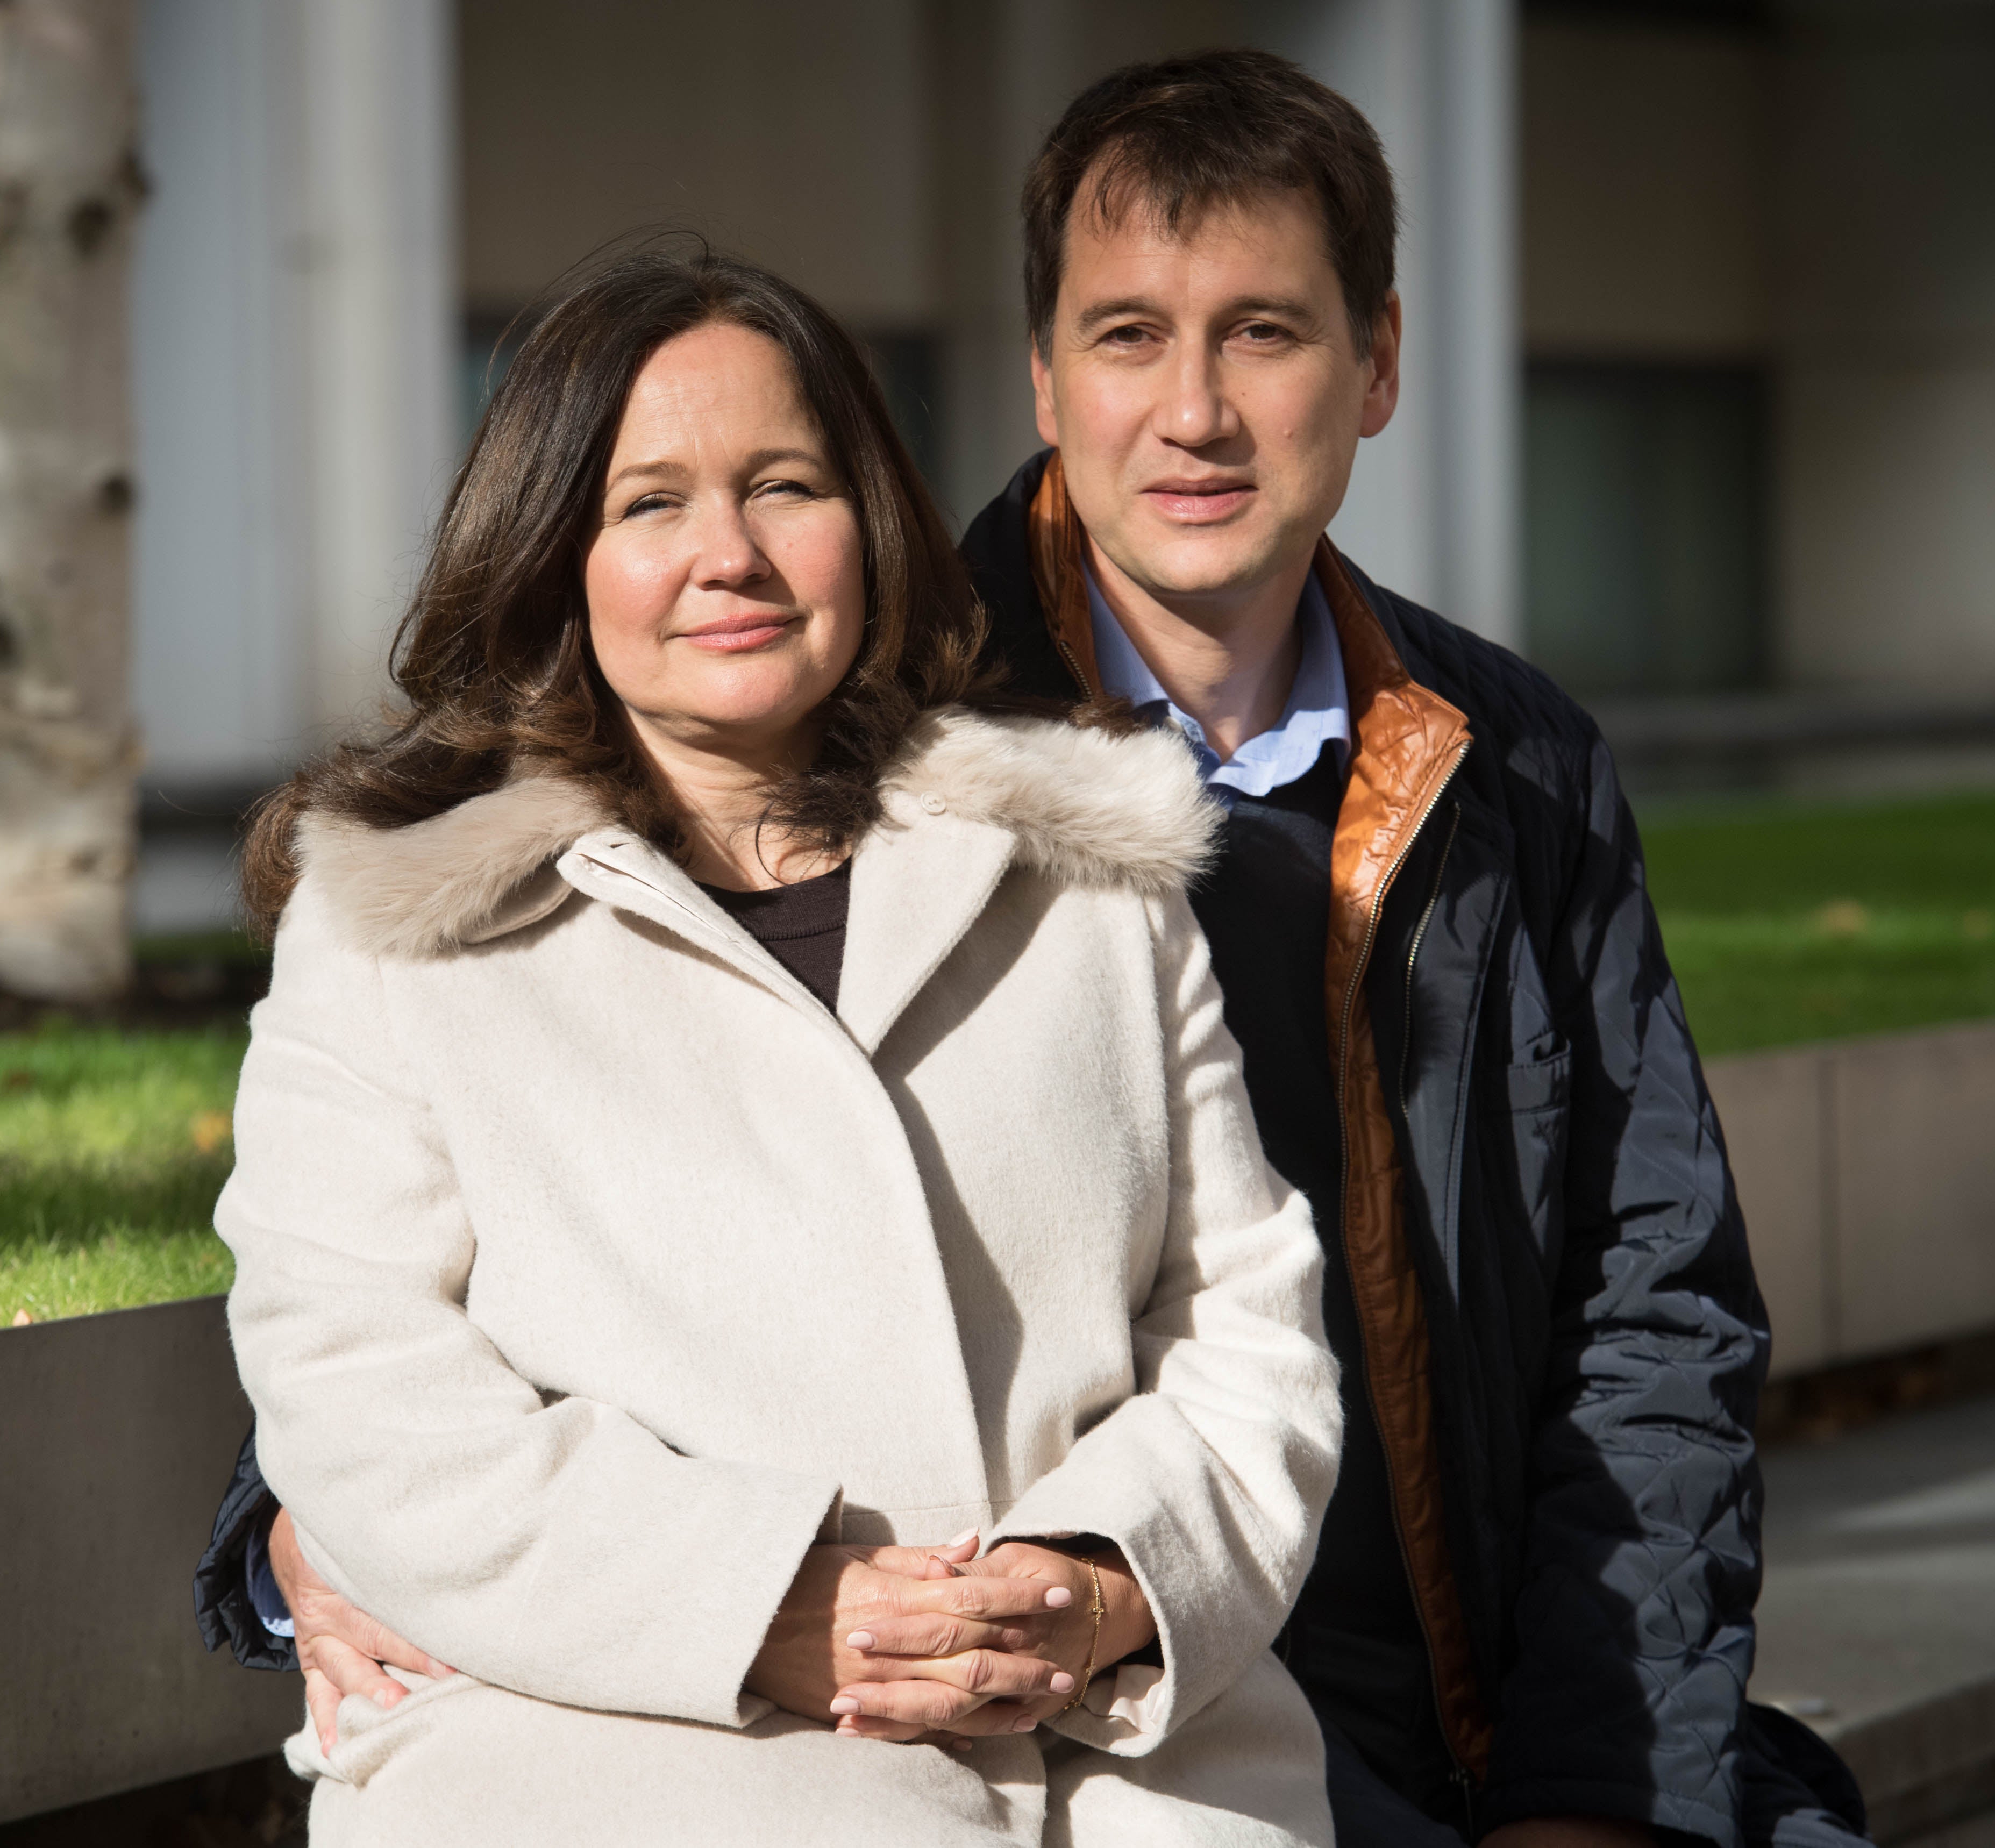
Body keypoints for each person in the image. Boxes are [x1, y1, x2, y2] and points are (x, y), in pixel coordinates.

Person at [201, 47, 1875, 1848]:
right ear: (1044, 376)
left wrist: (1595, 1792)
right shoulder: (884, 706)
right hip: (1051, 1696)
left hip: (1406, 1675)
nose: (1195, 415)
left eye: (1264, 333)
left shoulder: (1507, 758)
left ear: (1377, 363)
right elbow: (456, 1214)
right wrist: (291, 1529)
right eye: (1129, 336)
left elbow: (1650, 1308)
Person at [210, 244, 1344, 1845]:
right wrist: (764, 1606)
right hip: (610, 1751)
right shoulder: (400, 928)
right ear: (553, 556)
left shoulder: (1088, 876)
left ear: (867, 527)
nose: (726, 555)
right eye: (648, 503)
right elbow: (356, 1378)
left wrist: (1101, 1584)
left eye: (785, 485)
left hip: (1124, 1756)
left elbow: (1245, 1319)